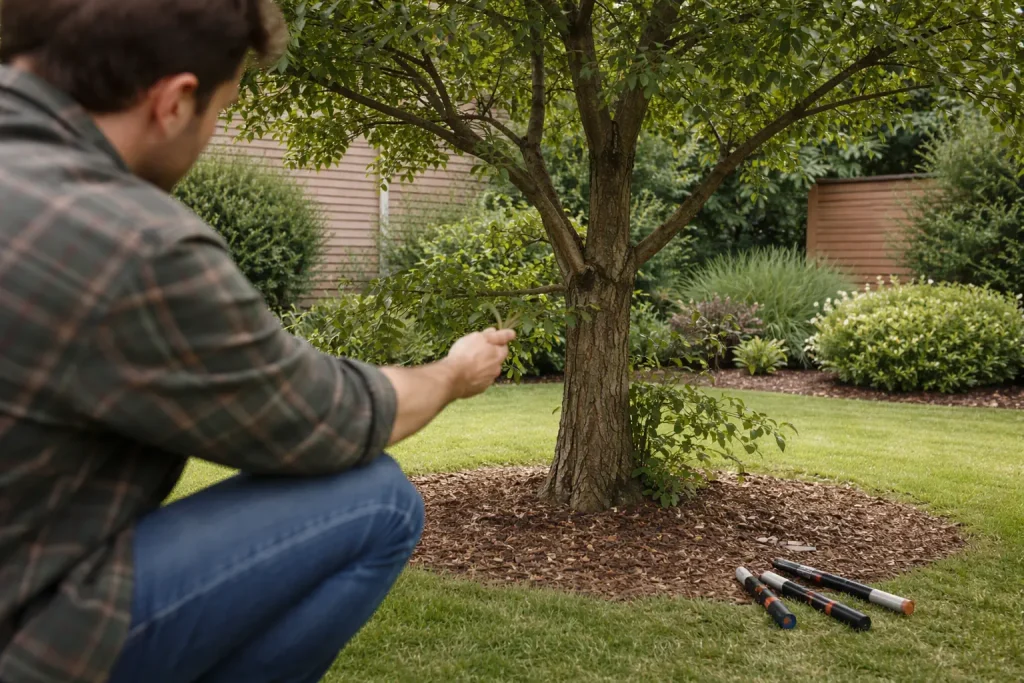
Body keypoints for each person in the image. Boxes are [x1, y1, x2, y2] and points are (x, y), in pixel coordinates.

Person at [0, 1, 516, 682]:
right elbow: (327, 416)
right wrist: (452, 371)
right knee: (378, 499)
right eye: (225, 106)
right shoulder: (132, 244)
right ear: (176, 101)